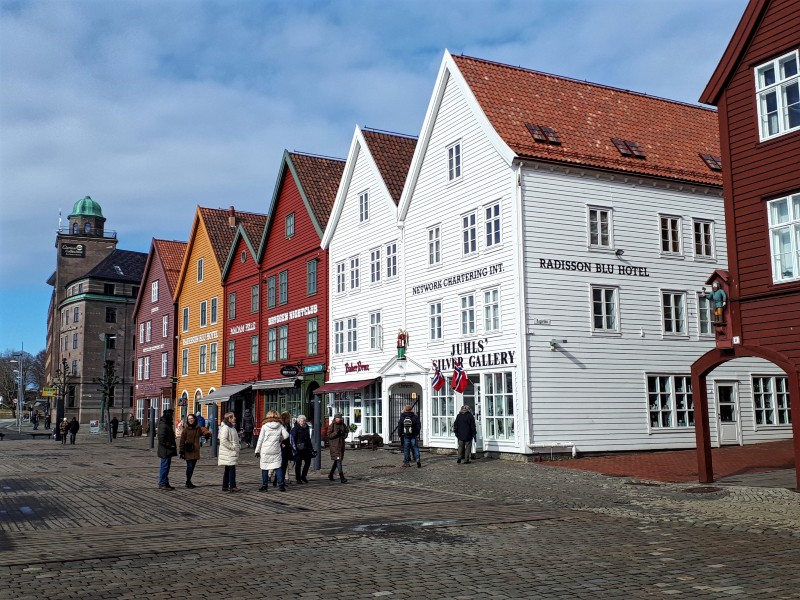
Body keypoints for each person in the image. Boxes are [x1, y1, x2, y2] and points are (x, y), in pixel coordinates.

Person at [254, 410, 289, 491]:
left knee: (265, 467)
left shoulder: (265, 426)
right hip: (276, 449)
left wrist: (257, 450)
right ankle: (281, 485)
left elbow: (260, 439)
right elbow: (286, 435)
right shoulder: (280, 425)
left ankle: (265, 486)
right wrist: (280, 439)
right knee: (277, 467)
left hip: (265, 450)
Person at [179, 412, 211, 488]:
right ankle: (188, 481)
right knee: (189, 466)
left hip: (195, 450)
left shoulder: (198, 427)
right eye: (189, 419)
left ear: (194, 419)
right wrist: (181, 450)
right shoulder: (185, 429)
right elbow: (182, 440)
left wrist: (207, 433)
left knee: (192, 467)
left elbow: (204, 430)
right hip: (188, 450)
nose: (190, 420)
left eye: (192, 418)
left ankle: (188, 481)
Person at [218, 412, 241, 492]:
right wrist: (233, 447)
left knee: (228, 469)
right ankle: (232, 486)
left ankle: (225, 486)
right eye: (233, 417)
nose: (235, 418)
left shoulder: (231, 427)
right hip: (229, 452)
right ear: (229, 418)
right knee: (231, 469)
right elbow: (223, 440)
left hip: (230, 452)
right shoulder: (226, 428)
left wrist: (238, 446)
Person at [157, 408, 177, 490]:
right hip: (165, 450)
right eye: (171, 415)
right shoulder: (164, 425)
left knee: (166, 466)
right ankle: (162, 483)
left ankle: (165, 482)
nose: (172, 417)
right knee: (164, 466)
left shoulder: (167, 424)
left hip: (167, 450)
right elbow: (161, 439)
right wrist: (169, 446)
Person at [327, 413, 348, 483]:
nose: (340, 419)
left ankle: (330, 474)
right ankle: (342, 477)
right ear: (335, 419)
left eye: (341, 418)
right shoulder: (331, 426)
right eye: (339, 418)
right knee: (338, 461)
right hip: (334, 446)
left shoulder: (343, 425)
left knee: (337, 460)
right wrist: (336, 433)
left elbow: (346, 432)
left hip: (341, 445)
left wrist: (343, 435)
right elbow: (329, 436)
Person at [291, 414, 313, 484]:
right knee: (298, 464)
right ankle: (298, 478)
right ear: (298, 421)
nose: (303, 422)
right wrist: (294, 449)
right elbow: (293, 439)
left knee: (308, 462)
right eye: (302, 421)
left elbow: (308, 439)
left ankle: (304, 476)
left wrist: (311, 448)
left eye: (304, 421)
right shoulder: (295, 429)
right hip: (298, 448)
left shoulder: (306, 427)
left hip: (306, 448)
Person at [279, 411, 294, 485]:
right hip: (282, 446)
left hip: (287, 446)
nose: (290, 419)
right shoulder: (280, 425)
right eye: (289, 418)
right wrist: (281, 443)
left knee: (285, 464)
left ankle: (283, 479)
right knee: (281, 464)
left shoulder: (288, 426)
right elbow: (278, 436)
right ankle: (279, 480)